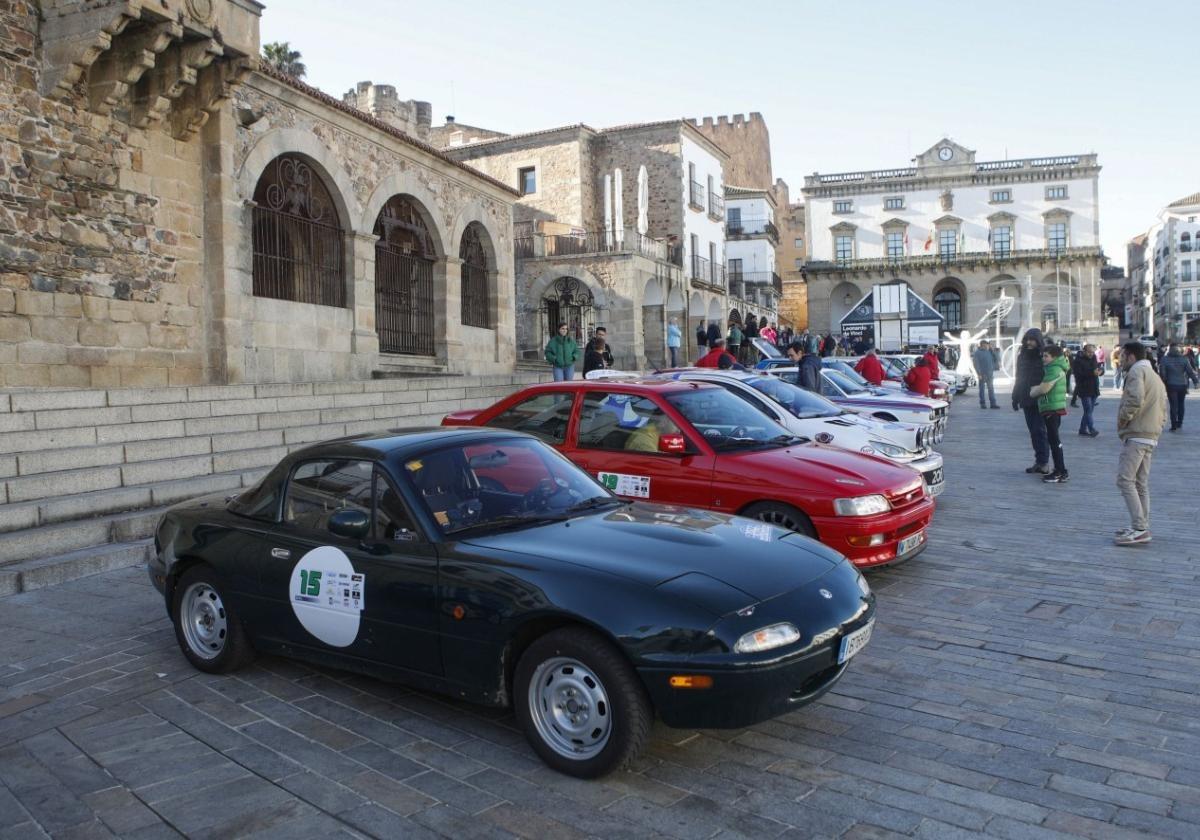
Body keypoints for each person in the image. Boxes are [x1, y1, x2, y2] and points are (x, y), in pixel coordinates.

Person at [1115, 342, 1168, 545]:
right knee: (1140, 483)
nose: (1119, 360)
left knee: (1125, 480)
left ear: (1130, 356)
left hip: (1137, 433)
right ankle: (1141, 525)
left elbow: (1135, 399)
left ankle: (1140, 528)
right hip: (1150, 434)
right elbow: (1164, 406)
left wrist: (1123, 418)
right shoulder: (1153, 374)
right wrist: (1158, 428)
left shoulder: (1137, 372)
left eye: (1122, 356)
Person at [1029, 345, 1070, 483]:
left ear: (1055, 357)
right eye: (1043, 355)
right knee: (1053, 440)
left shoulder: (1054, 369)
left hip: (1052, 408)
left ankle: (1060, 471)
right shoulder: (1056, 368)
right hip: (1053, 407)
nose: (1043, 358)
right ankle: (1060, 470)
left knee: (1054, 441)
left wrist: (1033, 392)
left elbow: (1045, 388)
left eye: (1046, 356)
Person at [1013, 328, 1051, 475]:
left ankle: (1044, 462)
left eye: (1032, 339)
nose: (1029, 342)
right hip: (1025, 397)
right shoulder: (1022, 356)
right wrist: (1015, 397)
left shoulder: (1043, 356)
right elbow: (1019, 377)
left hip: (1040, 398)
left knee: (1040, 430)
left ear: (1038, 340)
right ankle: (1039, 461)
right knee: (1033, 432)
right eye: (1027, 339)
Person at [1160, 342, 1200, 431]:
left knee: (1173, 405)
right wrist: (1196, 382)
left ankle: (1173, 425)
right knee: (1181, 404)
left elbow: (1162, 373)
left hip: (1171, 385)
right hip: (1182, 384)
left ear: (1169, 350)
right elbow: (1190, 372)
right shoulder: (1184, 359)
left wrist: (1163, 382)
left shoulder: (1165, 359)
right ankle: (1180, 422)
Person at [1072, 344, 1102, 436]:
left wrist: (1101, 371)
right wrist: (1091, 373)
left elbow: (1097, 368)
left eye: (1093, 352)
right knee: (1088, 409)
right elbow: (1078, 375)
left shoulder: (1094, 358)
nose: (1091, 354)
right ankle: (1091, 429)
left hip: (1094, 388)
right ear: (1084, 351)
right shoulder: (1078, 361)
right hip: (1084, 388)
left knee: (1089, 411)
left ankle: (1082, 429)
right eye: (1089, 352)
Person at [972, 339, 1000, 409]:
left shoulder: (989, 351)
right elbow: (976, 364)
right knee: (982, 389)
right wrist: (979, 374)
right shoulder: (977, 353)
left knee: (991, 389)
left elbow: (997, 359)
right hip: (982, 374)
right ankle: (982, 403)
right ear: (981, 345)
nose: (986, 346)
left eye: (987, 345)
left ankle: (993, 404)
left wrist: (994, 351)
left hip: (990, 373)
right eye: (985, 345)